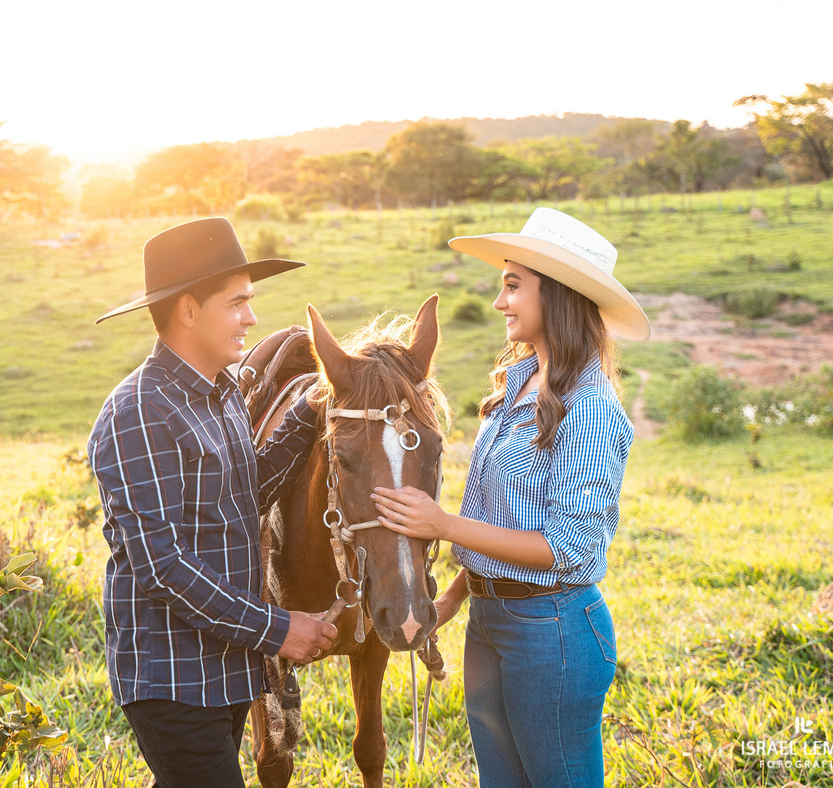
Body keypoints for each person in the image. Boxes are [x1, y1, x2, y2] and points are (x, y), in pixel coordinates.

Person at [371, 208, 651, 787]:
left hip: (551, 632)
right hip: (490, 620)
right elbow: (497, 518)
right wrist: (451, 599)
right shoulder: (520, 382)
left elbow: (570, 546)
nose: (500, 302)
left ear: (560, 297)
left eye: (513, 285)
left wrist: (443, 525)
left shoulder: (591, 409)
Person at [87, 217, 338, 788]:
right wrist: (278, 629)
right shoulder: (141, 412)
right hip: (174, 681)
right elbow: (162, 567)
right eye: (237, 303)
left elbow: (240, 498)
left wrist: (306, 411)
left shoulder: (222, 393)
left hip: (225, 668)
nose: (252, 317)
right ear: (188, 311)